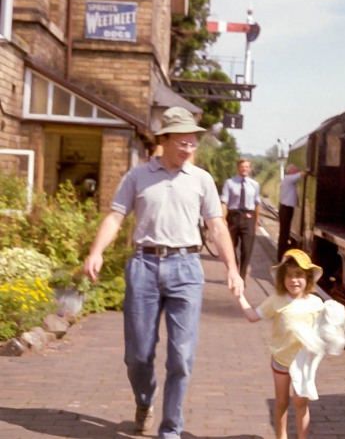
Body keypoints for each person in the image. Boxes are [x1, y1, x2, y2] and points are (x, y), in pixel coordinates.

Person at [84, 106, 244, 439]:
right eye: (183, 142)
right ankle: (145, 401)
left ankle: (171, 429)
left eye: (193, 144)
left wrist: (233, 268)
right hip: (143, 266)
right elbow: (115, 217)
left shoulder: (201, 180)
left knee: (181, 357)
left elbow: (217, 225)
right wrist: (96, 252)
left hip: (186, 268)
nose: (188, 149)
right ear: (165, 140)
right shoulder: (138, 175)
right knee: (138, 355)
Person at [238, 249, 324, 439]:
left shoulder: (317, 304)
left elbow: (325, 331)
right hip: (281, 360)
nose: (294, 280)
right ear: (282, 279)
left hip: (304, 364)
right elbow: (253, 316)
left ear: (308, 278)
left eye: (299, 276)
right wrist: (240, 296)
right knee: (281, 402)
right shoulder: (276, 300)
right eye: (290, 276)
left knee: (301, 403)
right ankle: (281, 436)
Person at [221, 158, 261, 280]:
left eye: (247, 167)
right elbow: (224, 202)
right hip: (233, 217)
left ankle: (242, 276)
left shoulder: (255, 185)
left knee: (247, 249)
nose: (244, 169)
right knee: (230, 246)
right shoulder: (230, 183)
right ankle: (235, 268)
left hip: (248, 217)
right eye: (242, 167)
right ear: (238, 168)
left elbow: (257, 203)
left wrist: (256, 221)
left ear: (250, 169)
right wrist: (223, 218)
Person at [278, 164, 307, 259]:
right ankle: (281, 255)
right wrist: (307, 169)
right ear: (290, 171)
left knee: (284, 232)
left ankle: (281, 254)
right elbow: (302, 174)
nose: (296, 171)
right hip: (286, 209)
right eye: (295, 170)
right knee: (284, 233)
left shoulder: (287, 179)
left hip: (286, 208)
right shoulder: (288, 178)